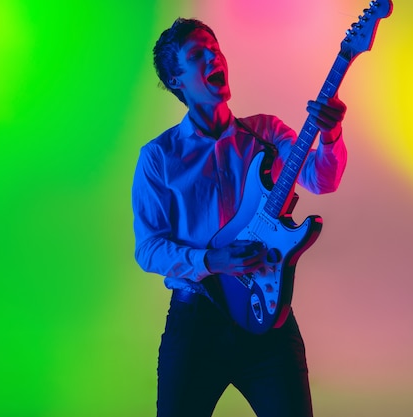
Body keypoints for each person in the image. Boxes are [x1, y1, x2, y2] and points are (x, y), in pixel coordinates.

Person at [132, 17, 347, 417]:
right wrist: (212, 261)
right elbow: (148, 248)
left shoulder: (265, 134)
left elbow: (321, 178)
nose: (213, 56)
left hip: (268, 317)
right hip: (197, 320)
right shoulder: (159, 158)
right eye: (197, 54)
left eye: (214, 48)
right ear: (177, 80)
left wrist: (331, 135)